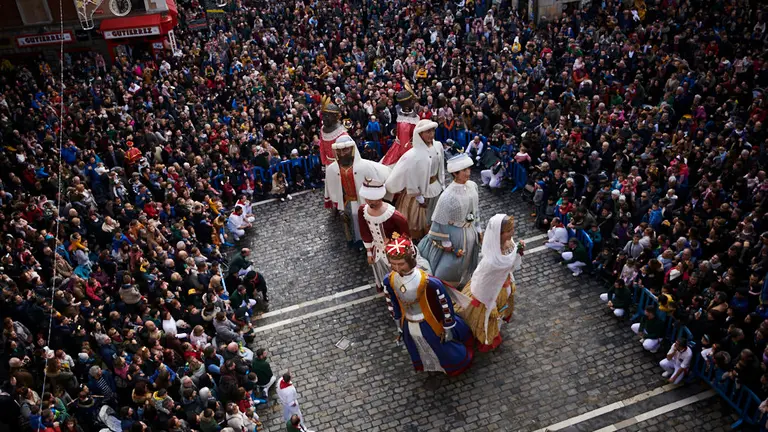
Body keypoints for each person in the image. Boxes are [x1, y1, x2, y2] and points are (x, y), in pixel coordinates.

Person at [383, 234, 474, 375]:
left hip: (429, 322)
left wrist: (448, 326)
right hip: (408, 322)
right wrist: (398, 324)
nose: (397, 268)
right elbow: (392, 302)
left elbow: (445, 305)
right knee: (417, 347)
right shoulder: (389, 280)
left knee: (441, 346)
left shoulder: (429, 282)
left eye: (401, 264)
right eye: (393, 264)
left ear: (411, 260)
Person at [454, 214, 522, 352]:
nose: (512, 233)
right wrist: (488, 305)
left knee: (500, 314)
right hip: (488, 294)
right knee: (488, 317)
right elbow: (483, 282)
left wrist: (519, 252)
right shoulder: (490, 261)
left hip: (504, 285)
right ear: (499, 233)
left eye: (512, 229)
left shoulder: (509, 244)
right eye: (509, 231)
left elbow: (511, 265)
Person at [418, 153, 481, 287]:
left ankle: (464, 282)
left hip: (469, 231)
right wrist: (446, 242)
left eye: (468, 169)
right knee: (451, 265)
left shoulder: (473, 186)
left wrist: (478, 227)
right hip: (455, 235)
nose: (468, 173)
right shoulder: (448, 196)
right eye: (464, 170)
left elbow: (475, 210)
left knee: (468, 259)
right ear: (455, 174)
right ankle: (446, 287)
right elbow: (439, 220)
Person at [324, 135, 390, 247]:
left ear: (352, 149)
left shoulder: (366, 166)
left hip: (364, 202)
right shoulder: (332, 169)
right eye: (339, 151)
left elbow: (375, 185)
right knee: (349, 224)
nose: (343, 153)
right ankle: (355, 243)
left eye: (345, 150)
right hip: (346, 203)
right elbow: (331, 188)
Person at [385, 119, 445, 241]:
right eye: (427, 132)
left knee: (433, 213)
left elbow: (441, 168)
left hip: (435, 187)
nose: (431, 134)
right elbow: (411, 176)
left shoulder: (438, 146)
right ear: (420, 134)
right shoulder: (413, 155)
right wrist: (418, 197)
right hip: (419, 192)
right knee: (420, 218)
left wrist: (442, 184)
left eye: (432, 131)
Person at [357, 178, 411, 291]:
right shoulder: (362, 211)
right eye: (367, 198)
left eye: (372, 199)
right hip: (378, 252)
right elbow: (365, 231)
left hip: (394, 255)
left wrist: (393, 242)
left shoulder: (395, 216)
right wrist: (368, 252)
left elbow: (406, 237)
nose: (368, 201)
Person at [381, 84, 419, 167]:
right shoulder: (402, 119)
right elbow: (403, 138)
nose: (414, 102)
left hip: (409, 148)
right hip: (402, 148)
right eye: (412, 100)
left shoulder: (412, 117)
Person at [318, 96, 348, 166]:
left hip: (340, 165)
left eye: (327, 116)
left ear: (335, 116)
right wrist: (324, 162)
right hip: (328, 164)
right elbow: (322, 147)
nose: (324, 119)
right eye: (323, 115)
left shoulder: (342, 134)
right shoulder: (323, 129)